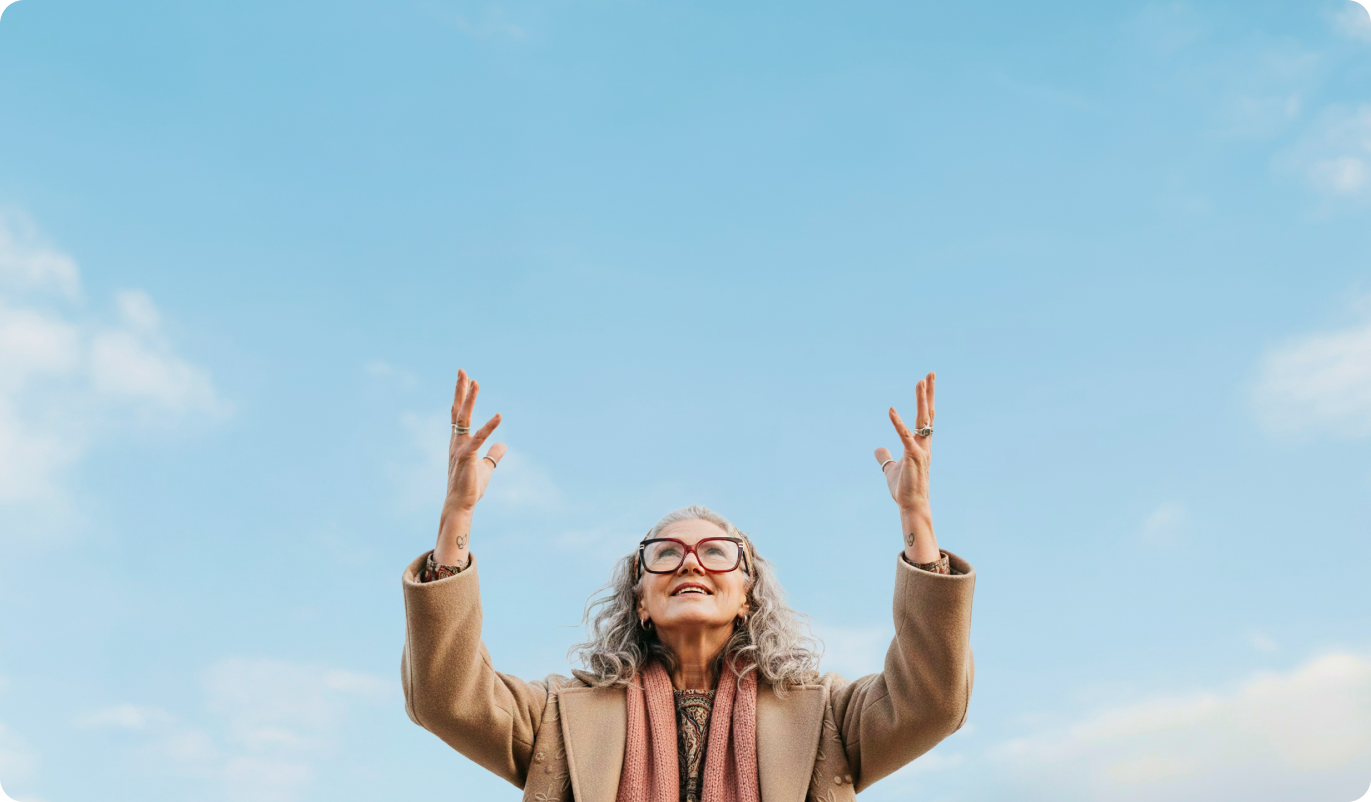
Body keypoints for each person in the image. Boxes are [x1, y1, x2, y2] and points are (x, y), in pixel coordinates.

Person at [401, 369, 975, 802]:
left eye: (717, 553)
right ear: (640, 598)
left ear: (748, 594)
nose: (690, 564)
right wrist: (457, 518)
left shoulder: (825, 712)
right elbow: (446, 697)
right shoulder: (559, 713)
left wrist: (916, 521)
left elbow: (931, 701)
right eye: (666, 553)